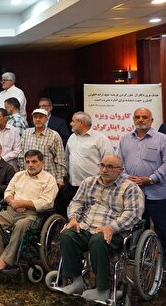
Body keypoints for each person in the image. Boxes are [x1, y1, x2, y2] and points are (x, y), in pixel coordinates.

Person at [57, 155, 144, 302]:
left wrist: (111, 227)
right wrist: (73, 218)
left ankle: (102, 289)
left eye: (110, 167)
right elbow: (77, 202)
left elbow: (133, 213)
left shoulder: (130, 188)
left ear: (121, 170)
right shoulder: (89, 182)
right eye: (102, 165)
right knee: (67, 234)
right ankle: (76, 282)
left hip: (113, 231)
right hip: (86, 225)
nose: (104, 169)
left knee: (98, 241)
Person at [0, 150, 58, 270]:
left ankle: (6, 259)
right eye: (28, 162)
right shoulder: (19, 175)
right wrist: (13, 203)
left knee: (21, 225)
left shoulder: (49, 180)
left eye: (34, 161)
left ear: (42, 163)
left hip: (33, 215)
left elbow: (47, 202)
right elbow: (8, 192)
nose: (30, 165)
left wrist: (22, 203)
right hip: (11, 210)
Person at [119, 107, 166, 248]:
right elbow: (119, 163)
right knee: (137, 227)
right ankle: (142, 256)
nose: (141, 120)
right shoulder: (125, 139)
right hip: (133, 192)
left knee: (162, 228)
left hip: (157, 193)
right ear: (133, 119)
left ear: (151, 120)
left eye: (144, 117)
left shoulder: (162, 139)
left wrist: (151, 179)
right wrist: (126, 177)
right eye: (137, 117)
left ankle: (163, 257)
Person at [60, 112, 112, 216]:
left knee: (90, 215)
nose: (70, 124)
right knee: (71, 213)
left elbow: (108, 162)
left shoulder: (100, 139)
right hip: (72, 186)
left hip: (93, 187)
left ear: (81, 123)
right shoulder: (72, 137)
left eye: (73, 121)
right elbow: (66, 158)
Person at [19, 109, 66, 187]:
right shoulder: (26, 133)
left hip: (48, 177)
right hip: (29, 177)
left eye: (41, 117)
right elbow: (21, 155)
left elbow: (60, 158)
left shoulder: (54, 135)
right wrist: (22, 173)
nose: (38, 119)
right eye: (35, 117)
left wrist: (60, 178)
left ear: (46, 119)